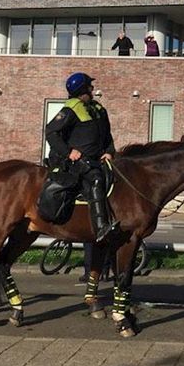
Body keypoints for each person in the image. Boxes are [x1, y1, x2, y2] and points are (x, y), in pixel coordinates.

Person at [45, 72, 119, 242]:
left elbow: (107, 135)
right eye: (89, 87)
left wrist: (109, 151)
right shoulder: (71, 109)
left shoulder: (99, 109)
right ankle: (101, 227)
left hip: (98, 158)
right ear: (82, 90)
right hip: (77, 161)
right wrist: (68, 152)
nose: (92, 90)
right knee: (95, 179)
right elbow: (51, 131)